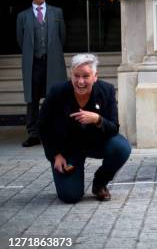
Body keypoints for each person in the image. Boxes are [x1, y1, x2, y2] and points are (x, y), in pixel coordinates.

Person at [39, 54, 131, 203]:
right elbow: (43, 126)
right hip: (68, 149)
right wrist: (55, 155)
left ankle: (100, 183)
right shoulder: (57, 92)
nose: (80, 81)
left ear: (95, 76)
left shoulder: (106, 90)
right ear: (71, 75)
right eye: (76, 76)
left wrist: (98, 119)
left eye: (86, 76)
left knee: (122, 147)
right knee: (70, 196)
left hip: (96, 143)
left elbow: (114, 128)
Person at [16, 0, 67, 147]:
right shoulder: (22, 17)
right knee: (33, 99)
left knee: (54, 97)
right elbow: (20, 40)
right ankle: (33, 134)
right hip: (33, 64)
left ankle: (54, 131)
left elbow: (62, 37)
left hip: (52, 61)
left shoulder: (56, 13)